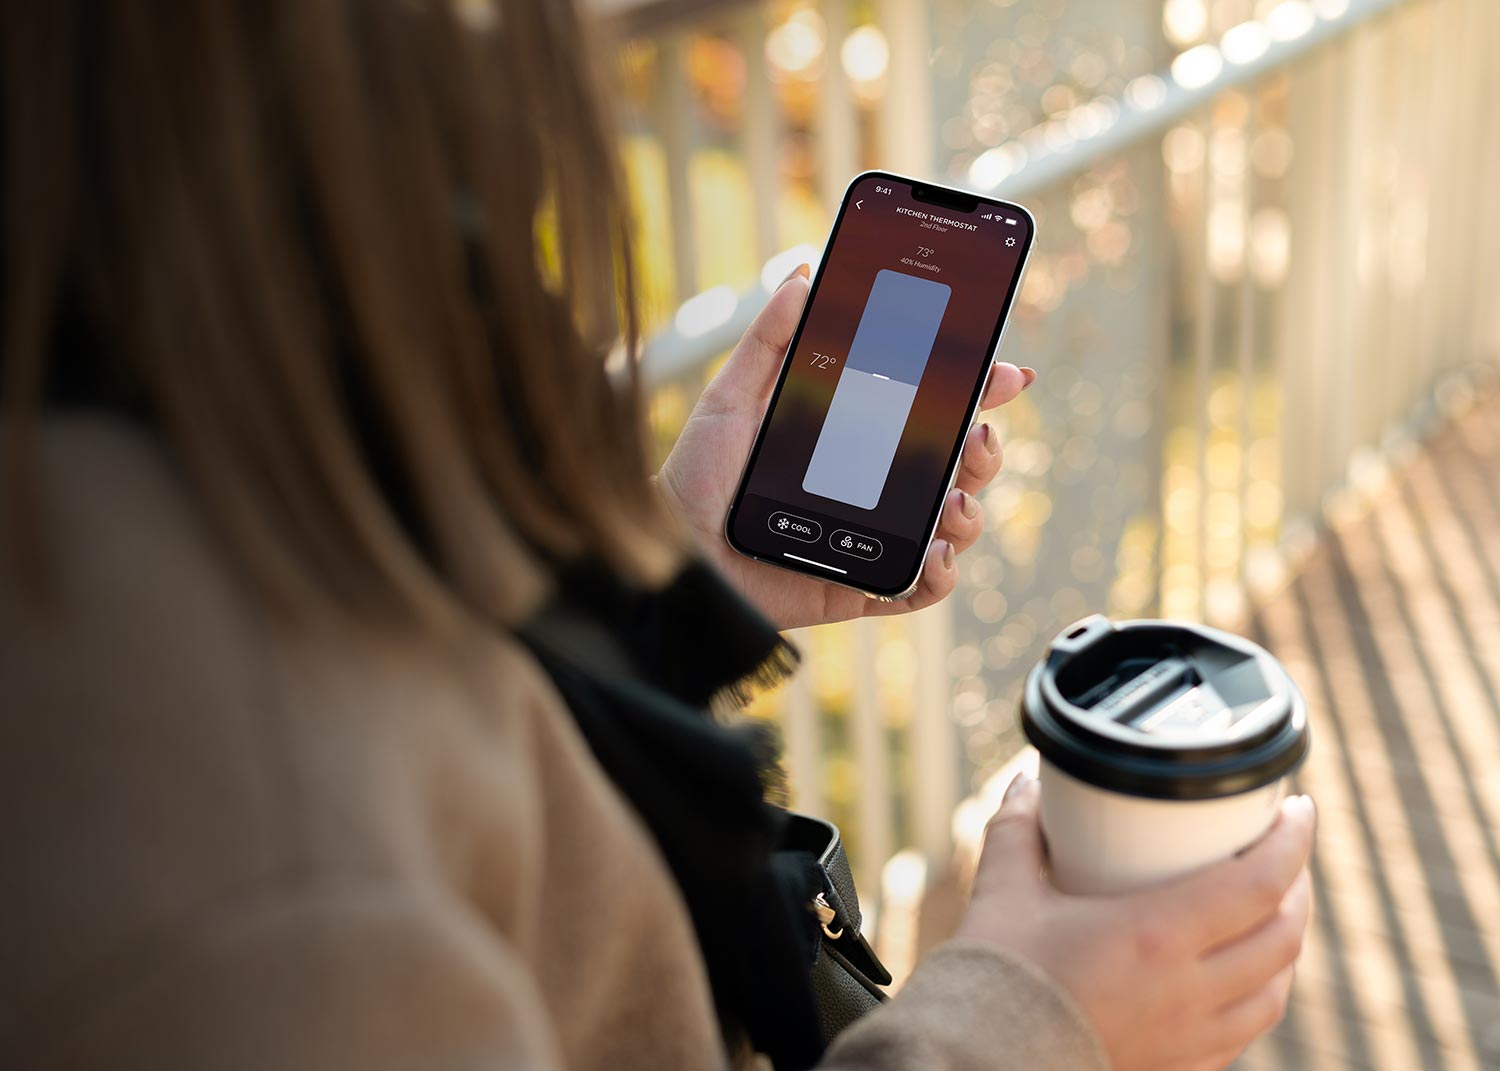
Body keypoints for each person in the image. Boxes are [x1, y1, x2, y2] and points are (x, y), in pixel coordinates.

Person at [0, 2, 1315, 1069]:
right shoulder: (261, 884)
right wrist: (1033, 1018)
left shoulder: (172, 446)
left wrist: (678, 569)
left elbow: (447, 728)